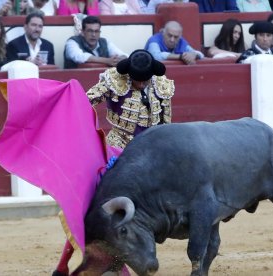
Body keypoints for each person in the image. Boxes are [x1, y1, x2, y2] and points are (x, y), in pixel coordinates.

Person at [52, 50, 175, 276]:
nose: (140, 83)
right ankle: (63, 264)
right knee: (90, 207)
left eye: (144, 79)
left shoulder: (162, 86)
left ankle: (118, 261)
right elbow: (82, 103)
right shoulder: (113, 81)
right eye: (136, 79)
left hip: (148, 156)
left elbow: (166, 127)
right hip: (116, 152)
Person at [64, 16, 128, 69]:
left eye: (96, 31)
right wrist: (107, 61)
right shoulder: (72, 42)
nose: (93, 35)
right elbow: (79, 57)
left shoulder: (104, 42)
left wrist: (119, 59)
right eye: (90, 31)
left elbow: (124, 55)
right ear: (82, 32)